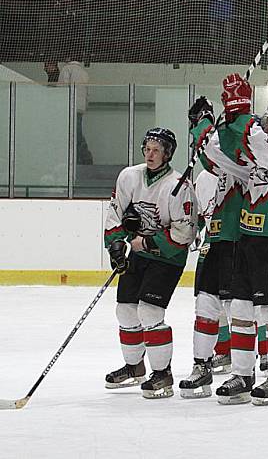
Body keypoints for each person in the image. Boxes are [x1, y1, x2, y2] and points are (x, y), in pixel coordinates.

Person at [190, 75, 268, 405]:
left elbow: (256, 144)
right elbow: (221, 158)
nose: (265, 124)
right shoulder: (260, 156)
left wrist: (239, 108)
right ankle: (243, 374)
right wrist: (207, 126)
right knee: (241, 308)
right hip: (248, 239)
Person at [103, 128, 198, 398]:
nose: (150, 154)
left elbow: (185, 232)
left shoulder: (179, 186)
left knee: (150, 313)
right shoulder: (129, 176)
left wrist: (143, 242)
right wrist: (117, 245)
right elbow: (115, 213)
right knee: (125, 311)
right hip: (139, 253)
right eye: (147, 149)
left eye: (157, 150)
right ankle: (134, 368)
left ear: (168, 153)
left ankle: (162, 373)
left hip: (168, 257)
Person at [177, 97, 244, 399]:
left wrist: (203, 126)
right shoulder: (208, 173)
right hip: (215, 243)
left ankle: (247, 368)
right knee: (205, 306)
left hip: (238, 244)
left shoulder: (245, 161)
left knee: (236, 308)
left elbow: (212, 153)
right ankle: (201, 366)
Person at [58, 58, 93, 165]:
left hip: (69, 106)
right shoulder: (84, 72)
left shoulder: (66, 70)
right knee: (77, 132)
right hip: (80, 107)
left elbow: (62, 88)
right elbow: (87, 92)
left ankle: (80, 158)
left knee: (73, 134)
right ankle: (83, 157)